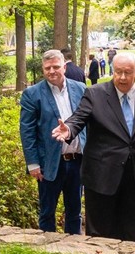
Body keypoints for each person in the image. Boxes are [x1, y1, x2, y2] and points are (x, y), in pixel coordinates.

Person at [51, 52, 135, 242]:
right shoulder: (95, 93)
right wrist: (69, 130)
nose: (122, 77)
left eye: (127, 72)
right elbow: (78, 118)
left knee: (132, 232)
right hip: (102, 176)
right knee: (100, 234)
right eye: (118, 72)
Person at [20, 49, 86, 234]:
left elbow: (88, 122)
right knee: (47, 211)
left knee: (75, 211)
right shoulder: (32, 94)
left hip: (77, 161)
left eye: (56, 66)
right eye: (47, 68)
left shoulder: (80, 89)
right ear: (43, 69)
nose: (52, 71)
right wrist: (33, 163)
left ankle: (74, 250)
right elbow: (27, 131)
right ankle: (47, 251)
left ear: (64, 67)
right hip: (49, 163)